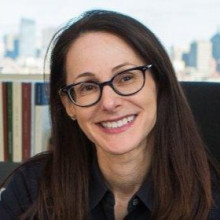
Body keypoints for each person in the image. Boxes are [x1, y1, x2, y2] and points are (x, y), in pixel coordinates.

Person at [0, 9, 220, 220]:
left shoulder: (212, 198)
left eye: (126, 78)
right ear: (69, 105)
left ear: (159, 85)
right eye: (87, 87)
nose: (109, 102)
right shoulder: (30, 188)